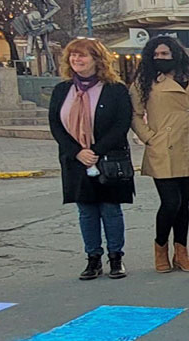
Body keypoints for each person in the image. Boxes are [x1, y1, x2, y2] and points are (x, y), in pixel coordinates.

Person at [48, 38, 134, 281]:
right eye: (73, 56)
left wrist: (95, 150)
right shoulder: (62, 90)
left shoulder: (115, 90)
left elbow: (121, 124)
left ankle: (116, 257)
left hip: (108, 158)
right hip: (75, 160)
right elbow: (55, 124)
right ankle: (92, 258)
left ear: (97, 59)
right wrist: (77, 151)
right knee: (86, 211)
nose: (77, 60)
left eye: (82, 55)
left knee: (110, 210)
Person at [129, 35, 189, 274]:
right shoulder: (144, 82)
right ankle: (160, 248)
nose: (160, 58)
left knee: (183, 204)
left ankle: (182, 253)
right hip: (163, 147)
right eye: (155, 55)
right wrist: (149, 137)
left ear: (176, 53)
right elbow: (134, 114)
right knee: (170, 202)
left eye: (164, 54)